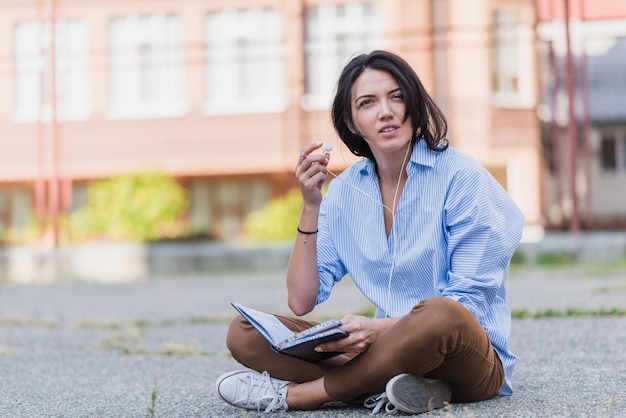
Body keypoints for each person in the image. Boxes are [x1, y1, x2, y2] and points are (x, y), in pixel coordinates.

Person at [215, 50, 524, 414]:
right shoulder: (345, 192)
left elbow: (468, 307)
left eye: (397, 97)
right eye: (368, 103)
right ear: (352, 120)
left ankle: (299, 396)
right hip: (385, 353)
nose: (386, 111)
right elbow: (301, 300)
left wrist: (378, 331)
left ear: (415, 104)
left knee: (442, 314)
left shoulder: (461, 177)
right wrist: (311, 205)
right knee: (245, 332)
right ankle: (397, 389)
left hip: (468, 360)